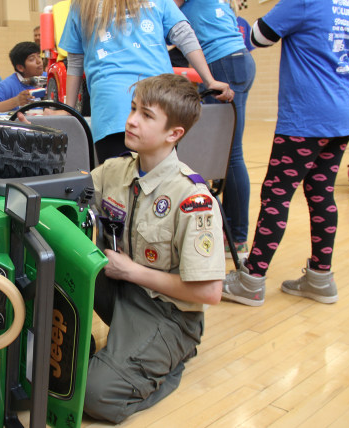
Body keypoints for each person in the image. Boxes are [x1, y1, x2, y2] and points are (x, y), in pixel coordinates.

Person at [85, 73, 223, 423]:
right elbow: (70, 193)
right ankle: (102, 351)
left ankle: (171, 359)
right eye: (133, 109)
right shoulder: (113, 171)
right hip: (121, 292)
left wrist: (132, 271)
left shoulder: (193, 198)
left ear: (174, 134)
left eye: (147, 115)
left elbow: (208, 291)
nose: (131, 120)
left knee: (93, 395)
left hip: (168, 314)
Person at [222, 0, 349, 306]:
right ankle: (320, 278)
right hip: (344, 113)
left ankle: (251, 280)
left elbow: (257, 37)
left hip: (306, 116)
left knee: (276, 194)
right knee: (321, 191)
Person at [58, 0, 233, 164]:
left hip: (112, 107)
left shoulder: (81, 4)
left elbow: (75, 63)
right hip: (158, 104)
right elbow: (184, 35)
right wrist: (209, 80)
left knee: (118, 188)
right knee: (160, 185)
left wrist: (69, 109)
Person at [174, 0, 256, 259]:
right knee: (227, 152)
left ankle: (238, 238)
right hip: (236, 59)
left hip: (223, 61)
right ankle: (231, 230)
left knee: (229, 154)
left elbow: (169, 11)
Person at [0, 42, 44, 112]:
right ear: (20, 67)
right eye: (32, 59)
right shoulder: (7, 85)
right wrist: (16, 101)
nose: (39, 61)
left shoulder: (50, 77)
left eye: (39, 56)